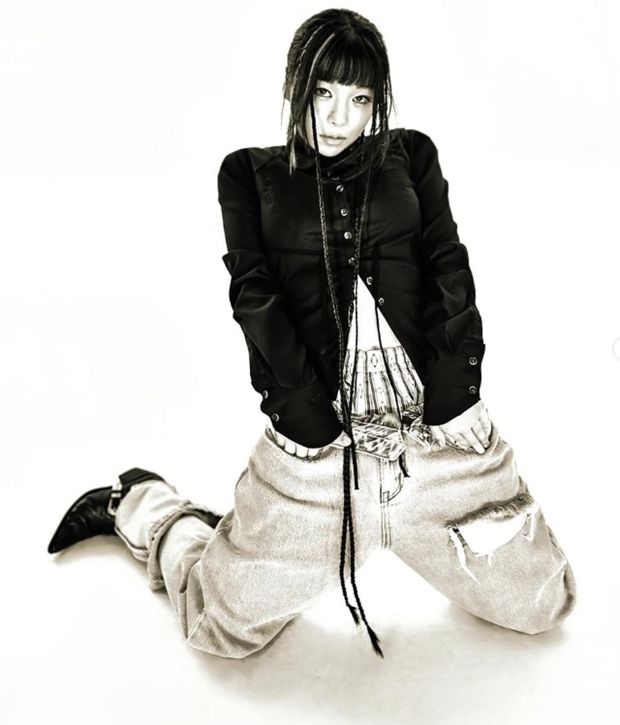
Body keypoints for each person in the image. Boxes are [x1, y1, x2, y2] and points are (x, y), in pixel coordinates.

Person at [47, 8, 577, 660]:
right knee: (218, 630)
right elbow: (254, 294)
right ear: (294, 85)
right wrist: (305, 419)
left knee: (543, 605)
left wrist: (457, 393)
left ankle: (270, 531)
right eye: (322, 92)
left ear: (377, 103)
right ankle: (148, 507)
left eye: (360, 99)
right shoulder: (248, 174)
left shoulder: (412, 154)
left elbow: (448, 264)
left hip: (436, 428)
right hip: (318, 446)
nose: (337, 117)